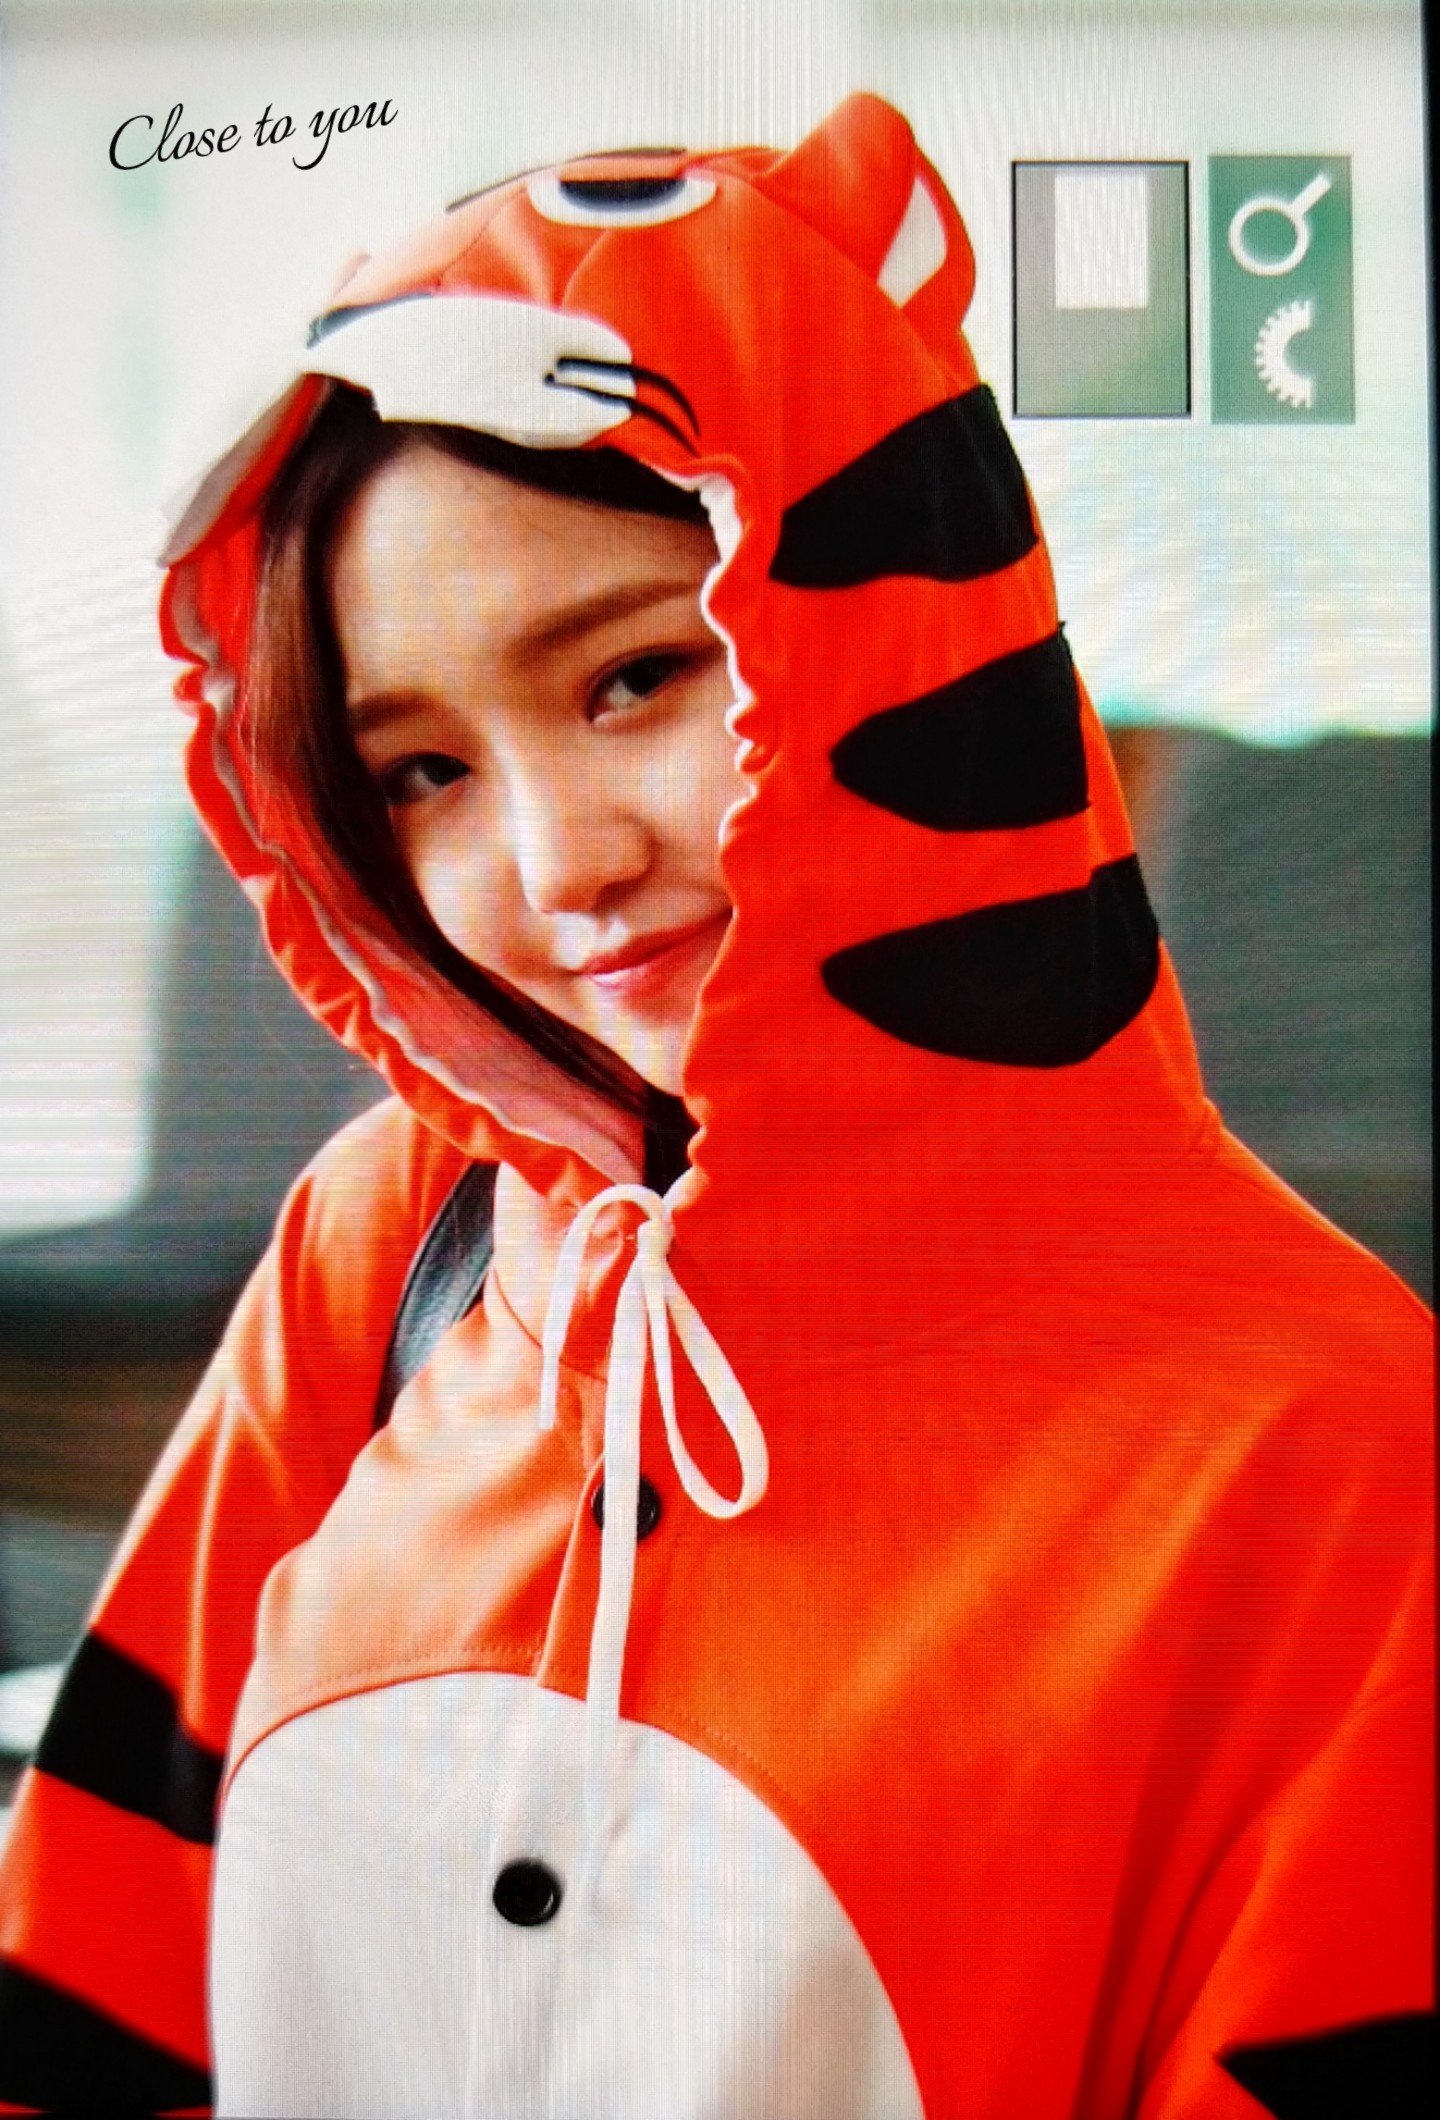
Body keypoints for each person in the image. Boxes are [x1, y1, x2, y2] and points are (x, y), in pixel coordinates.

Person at [0, 93, 1431, 2120]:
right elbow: (95, 1969)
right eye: (422, 772)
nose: (556, 863)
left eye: (633, 680)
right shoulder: (393, 1240)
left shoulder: (1336, 1446)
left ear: (895, 622)